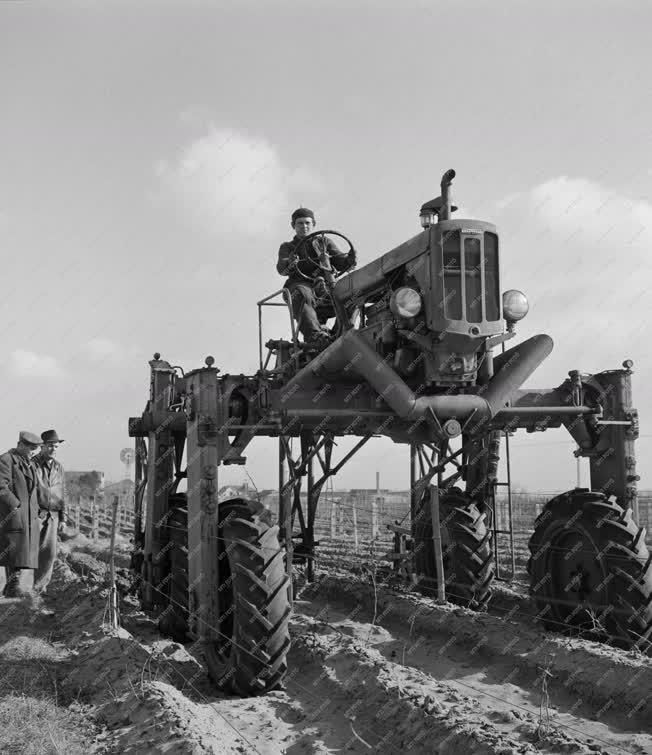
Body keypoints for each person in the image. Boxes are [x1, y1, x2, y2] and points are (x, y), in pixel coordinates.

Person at [277, 207, 356, 348]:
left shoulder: (324, 243)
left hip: (325, 286)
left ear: (313, 224)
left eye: (307, 223)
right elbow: (282, 269)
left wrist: (350, 259)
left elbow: (341, 261)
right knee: (302, 293)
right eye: (300, 223)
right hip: (299, 285)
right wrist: (290, 262)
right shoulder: (288, 247)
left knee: (352, 293)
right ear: (293, 226)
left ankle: (341, 332)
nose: (304, 226)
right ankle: (316, 337)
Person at [0, 431, 42, 598]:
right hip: (14, 514)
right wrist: (15, 504)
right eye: (32, 448)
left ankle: (11, 587)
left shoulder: (29, 463)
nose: (34, 452)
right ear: (21, 445)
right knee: (14, 551)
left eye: (36, 449)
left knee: (22, 552)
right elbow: (0, 486)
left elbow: (35, 489)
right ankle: (13, 586)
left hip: (28, 515)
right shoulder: (6, 459)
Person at [33, 429, 67, 594]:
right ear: (42, 446)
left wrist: (63, 518)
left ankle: (39, 589)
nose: (53, 449)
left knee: (49, 553)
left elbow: (62, 493)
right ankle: (16, 587)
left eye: (56, 446)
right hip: (35, 514)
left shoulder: (59, 467)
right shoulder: (33, 464)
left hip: (53, 516)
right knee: (28, 551)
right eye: (50, 446)